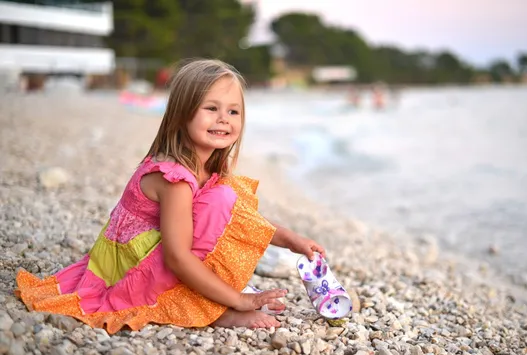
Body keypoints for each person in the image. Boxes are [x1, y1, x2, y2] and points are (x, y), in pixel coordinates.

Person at [15, 59, 327, 334]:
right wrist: (239, 300)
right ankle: (213, 310)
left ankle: (211, 297)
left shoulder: (205, 168)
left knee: (225, 197)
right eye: (211, 108)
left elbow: (241, 217)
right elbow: (177, 258)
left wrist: (290, 240)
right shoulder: (174, 177)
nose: (224, 119)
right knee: (220, 202)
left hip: (155, 258)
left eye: (233, 111)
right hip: (133, 274)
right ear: (181, 115)